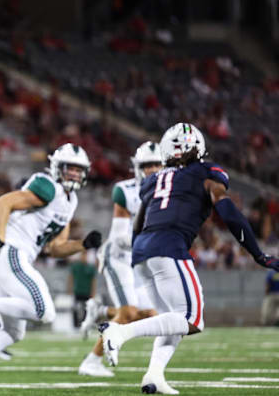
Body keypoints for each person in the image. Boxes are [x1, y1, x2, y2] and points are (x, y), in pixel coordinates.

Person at [99, 123, 279, 394]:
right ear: (198, 147)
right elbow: (228, 212)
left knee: (173, 320)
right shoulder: (207, 172)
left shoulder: (152, 180)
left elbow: (138, 224)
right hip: (169, 246)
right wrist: (258, 253)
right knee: (193, 319)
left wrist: (141, 255)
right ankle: (120, 332)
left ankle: (154, 376)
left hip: (142, 252)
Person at [0, 143, 103, 385]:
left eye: (78, 170)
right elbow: (2, 204)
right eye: (69, 168)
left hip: (13, 258)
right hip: (11, 252)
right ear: (57, 167)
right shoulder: (47, 185)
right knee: (44, 311)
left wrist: (82, 245)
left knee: (13, 332)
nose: (73, 174)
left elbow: (54, 247)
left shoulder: (70, 201)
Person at [78, 141, 162, 377]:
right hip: (118, 256)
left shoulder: (170, 193)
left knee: (151, 317)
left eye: (157, 164)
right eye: (148, 165)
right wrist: (149, 241)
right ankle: (91, 362)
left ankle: (102, 311)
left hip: (141, 260)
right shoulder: (125, 191)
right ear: (137, 167)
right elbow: (118, 237)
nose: (153, 169)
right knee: (127, 314)